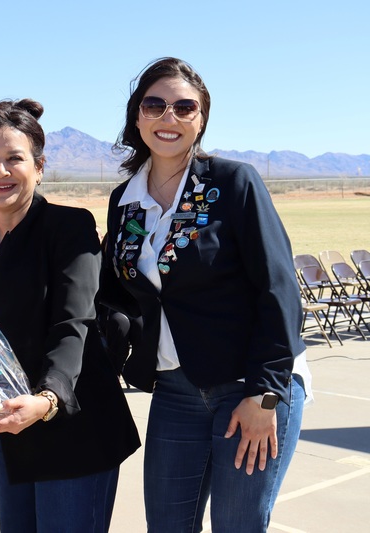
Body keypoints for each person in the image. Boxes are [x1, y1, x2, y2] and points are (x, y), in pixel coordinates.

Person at [99, 57, 310, 532]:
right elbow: (115, 293)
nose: (168, 117)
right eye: (155, 105)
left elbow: (278, 289)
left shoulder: (232, 183)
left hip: (251, 386)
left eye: (183, 107)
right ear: (137, 116)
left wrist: (266, 395)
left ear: (201, 119)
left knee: (237, 525)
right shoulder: (125, 200)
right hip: (176, 390)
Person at [0, 98, 140, 533]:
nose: (0, 171)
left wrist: (50, 396)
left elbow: (73, 322)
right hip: (12, 428)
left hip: (70, 425)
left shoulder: (67, 228)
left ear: (39, 167)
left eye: (14, 159)